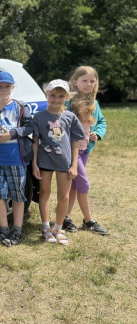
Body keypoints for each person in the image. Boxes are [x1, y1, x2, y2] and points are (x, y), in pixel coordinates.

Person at [0, 72, 34, 246]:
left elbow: (28, 127)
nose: (4, 90)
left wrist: (11, 134)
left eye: (7, 86)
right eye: (0, 86)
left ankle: (17, 229)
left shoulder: (21, 106)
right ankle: (3, 228)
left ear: (12, 88)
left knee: (18, 195)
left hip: (16, 159)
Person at [32, 80, 85, 246]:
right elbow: (35, 140)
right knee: (45, 193)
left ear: (67, 97)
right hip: (45, 161)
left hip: (64, 162)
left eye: (61, 96)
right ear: (46, 95)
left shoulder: (70, 117)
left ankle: (59, 228)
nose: (56, 99)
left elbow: (75, 141)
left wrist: (74, 164)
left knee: (64, 196)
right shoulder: (39, 117)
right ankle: (46, 227)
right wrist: (34, 163)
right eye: (52, 95)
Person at [63, 66, 108, 235]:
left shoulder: (94, 103)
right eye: (84, 81)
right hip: (71, 151)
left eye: (92, 81)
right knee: (83, 183)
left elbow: (101, 122)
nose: (88, 84)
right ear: (75, 82)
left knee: (74, 185)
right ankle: (88, 221)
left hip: (85, 150)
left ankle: (65, 217)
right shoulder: (67, 102)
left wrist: (98, 133)